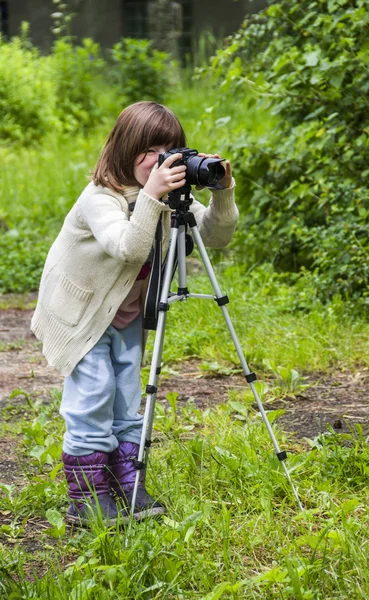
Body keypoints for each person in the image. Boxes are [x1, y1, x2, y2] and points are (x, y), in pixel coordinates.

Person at [31, 101, 239, 526]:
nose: (160, 161)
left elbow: (216, 237)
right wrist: (151, 195)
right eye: (149, 150)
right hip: (82, 316)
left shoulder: (164, 199)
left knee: (127, 399)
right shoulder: (99, 198)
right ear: (125, 149)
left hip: (126, 315)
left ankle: (127, 485)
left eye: (169, 150)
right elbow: (127, 246)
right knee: (93, 397)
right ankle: (86, 499)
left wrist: (222, 190)